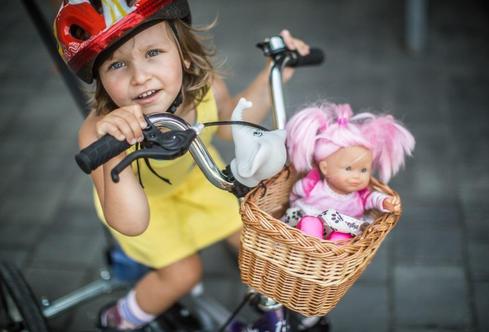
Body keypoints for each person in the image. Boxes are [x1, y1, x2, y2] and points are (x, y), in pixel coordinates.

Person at [53, 0, 310, 330]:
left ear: (184, 55)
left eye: (153, 53)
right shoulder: (98, 132)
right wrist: (115, 148)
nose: (140, 76)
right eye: (116, 65)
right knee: (183, 273)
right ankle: (120, 318)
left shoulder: (204, 86)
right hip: (146, 205)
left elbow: (234, 123)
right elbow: (130, 221)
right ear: (100, 81)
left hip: (198, 180)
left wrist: (273, 72)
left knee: (254, 237)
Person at [282, 103, 415, 241]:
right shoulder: (312, 185)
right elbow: (294, 193)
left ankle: (334, 252)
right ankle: (311, 245)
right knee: (309, 222)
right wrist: (295, 206)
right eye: (348, 169)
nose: (356, 176)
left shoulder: (361, 196)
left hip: (343, 231)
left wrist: (386, 202)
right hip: (307, 226)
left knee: (342, 237)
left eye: (363, 170)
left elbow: (375, 198)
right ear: (325, 168)